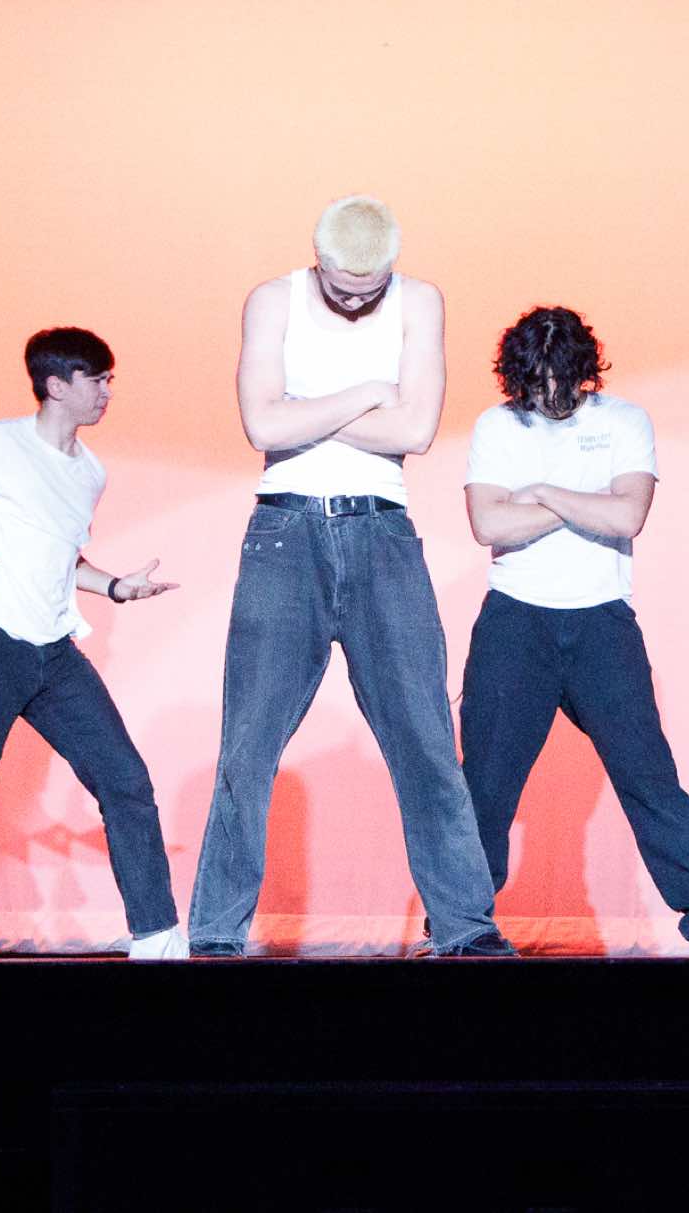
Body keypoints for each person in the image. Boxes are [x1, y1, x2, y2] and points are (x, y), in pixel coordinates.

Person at [187, 195, 510, 957]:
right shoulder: (274, 299)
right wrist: (368, 392)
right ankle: (215, 932)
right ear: (320, 260)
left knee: (426, 741)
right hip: (284, 529)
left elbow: (416, 430)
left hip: (382, 531)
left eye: (372, 288)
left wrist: (306, 409)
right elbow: (262, 425)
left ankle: (466, 927)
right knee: (247, 746)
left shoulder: (420, 300)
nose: (359, 300)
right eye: (343, 287)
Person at [0, 327, 186, 959]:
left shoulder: (91, 473)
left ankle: (157, 936)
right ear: (56, 385)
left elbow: (61, 557)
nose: (107, 391)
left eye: (109, 379)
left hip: (53, 653)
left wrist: (116, 586)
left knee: (125, 781)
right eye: (96, 379)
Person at [458, 306, 689, 956]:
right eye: (537, 384)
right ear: (519, 378)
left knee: (649, 778)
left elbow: (628, 516)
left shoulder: (623, 421)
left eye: (562, 381)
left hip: (601, 625)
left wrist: (542, 493)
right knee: (485, 787)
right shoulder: (496, 425)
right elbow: (488, 525)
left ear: (583, 371)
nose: (551, 396)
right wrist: (586, 504)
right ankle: (459, 924)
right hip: (515, 621)